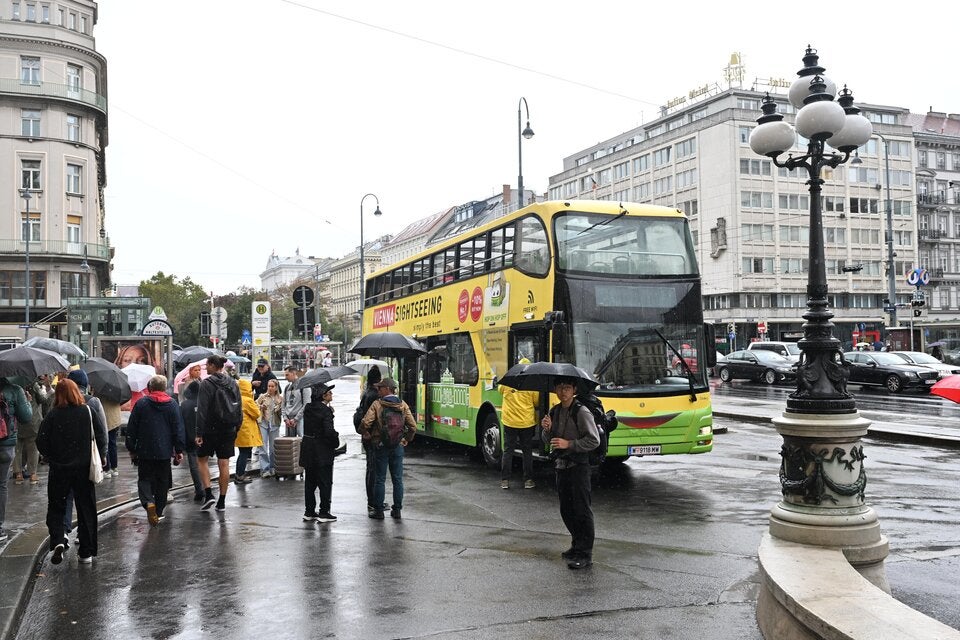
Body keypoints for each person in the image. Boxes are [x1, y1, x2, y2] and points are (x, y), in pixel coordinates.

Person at [36, 379, 106, 565]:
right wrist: (102, 456)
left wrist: (52, 455)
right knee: (86, 509)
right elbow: (99, 435)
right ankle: (86, 552)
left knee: (57, 507)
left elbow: (41, 441)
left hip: (60, 470)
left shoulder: (53, 415)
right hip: (83, 469)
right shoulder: (87, 412)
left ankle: (58, 539)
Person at [540, 377, 600, 570]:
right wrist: (547, 430)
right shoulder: (555, 411)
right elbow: (549, 441)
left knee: (582, 510)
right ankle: (576, 545)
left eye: (567, 388)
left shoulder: (581, 412)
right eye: (559, 387)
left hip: (579, 467)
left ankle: (585, 553)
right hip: (561, 466)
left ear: (574, 389)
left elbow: (594, 440)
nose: (563, 391)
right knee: (566, 510)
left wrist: (570, 444)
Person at [125, 375, 185, 527]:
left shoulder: (142, 404)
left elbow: (132, 427)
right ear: (164, 388)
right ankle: (158, 511)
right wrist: (178, 450)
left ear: (150, 388)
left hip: (145, 449)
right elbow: (178, 429)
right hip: (164, 451)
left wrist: (132, 447)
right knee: (162, 482)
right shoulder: (172, 405)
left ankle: (147, 502)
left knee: (144, 479)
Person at [359, 377, 417, 520]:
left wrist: (365, 433)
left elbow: (365, 423)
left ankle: (378, 511)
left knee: (380, 479)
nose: (378, 390)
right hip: (397, 446)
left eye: (380, 388)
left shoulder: (377, 405)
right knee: (397, 479)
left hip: (380, 445)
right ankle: (397, 510)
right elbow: (413, 426)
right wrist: (406, 439)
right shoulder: (402, 405)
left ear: (387, 389)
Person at [195, 355, 241, 512]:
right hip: (228, 428)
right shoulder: (233, 383)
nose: (205, 368)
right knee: (224, 463)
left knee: (202, 460)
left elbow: (202, 410)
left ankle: (208, 494)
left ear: (213, 366)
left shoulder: (206, 384)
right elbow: (238, 406)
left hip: (210, 428)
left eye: (207, 365)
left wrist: (198, 432)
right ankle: (222, 501)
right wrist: (237, 427)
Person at [300, 383, 340, 522]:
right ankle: (324, 512)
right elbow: (328, 432)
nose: (331, 395)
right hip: (322, 450)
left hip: (308, 448)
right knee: (325, 481)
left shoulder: (308, 408)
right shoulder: (325, 411)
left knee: (310, 482)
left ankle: (309, 511)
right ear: (323, 395)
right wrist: (336, 439)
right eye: (329, 393)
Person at [0, 377, 33, 544]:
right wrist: (27, 401)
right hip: (5, 444)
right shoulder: (14, 390)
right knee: (1, 485)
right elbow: (26, 417)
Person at [498, 360, 540, 490]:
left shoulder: (507, 382)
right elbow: (537, 403)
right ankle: (528, 480)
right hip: (526, 423)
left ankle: (505, 480)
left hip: (509, 422)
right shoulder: (532, 384)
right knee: (527, 451)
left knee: (508, 450)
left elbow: (500, 390)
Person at [355, 367, 382, 515]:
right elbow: (373, 418)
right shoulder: (374, 396)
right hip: (371, 436)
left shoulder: (366, 393)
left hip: (366, 435)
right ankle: (373, 502)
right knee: (373, 469)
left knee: (370, 468)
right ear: (378, 380)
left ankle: (373, 500)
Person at [13, 378, 44, 485]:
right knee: (33, 448)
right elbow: (43, 399)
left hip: (17, 421)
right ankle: (33, 474)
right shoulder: (33, 384)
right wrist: (42, 389)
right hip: (32, 421)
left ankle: (18, 474)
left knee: (17, 449)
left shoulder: (13, 386)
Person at [178, 380, 205, 501]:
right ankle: (206, 487)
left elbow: (180, 424)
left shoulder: (184, 405)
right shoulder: (205, 403)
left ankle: (199, 488)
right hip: (204, 438)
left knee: (194, 466)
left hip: (190, 438)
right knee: (203, 464)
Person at [233, 379, 262, 485]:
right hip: (247, 430)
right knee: (244, 454)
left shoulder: (237, 398)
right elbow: (257, 414)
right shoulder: (247, 400)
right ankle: (240, 476)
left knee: (242, 453)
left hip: (239, 430)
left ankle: (238, 474)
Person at [255, 378, 283, 478]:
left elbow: (282, 412)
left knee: (273, 448)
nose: (270, 388)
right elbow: (255, 404)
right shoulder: (263, 396)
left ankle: (273, 468)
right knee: (262, 446)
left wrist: (279, 409)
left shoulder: (280, 399)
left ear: (276, 388)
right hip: (263, 423)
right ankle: (264, 469)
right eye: (269, 386)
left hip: (274, 424)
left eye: (272, 386)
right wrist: (260, 407)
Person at [94, 389, 122, 478]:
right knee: (112, 443)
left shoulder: (100, 389)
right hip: (114, 417)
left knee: (105, 442)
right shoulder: (118, 389)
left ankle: (107, 469)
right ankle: (114, 467)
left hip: (105, 417)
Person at [281, 366, 310, 438]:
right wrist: (285, 418)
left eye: (287, 375)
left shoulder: (304, 386)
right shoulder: (287, 387)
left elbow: (306, 404)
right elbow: (283, 404)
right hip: (288, 419)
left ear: (294, 373)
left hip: (300, 418)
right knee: (289, 443)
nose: (285, 377)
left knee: (301, 440)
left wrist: (296, 419)